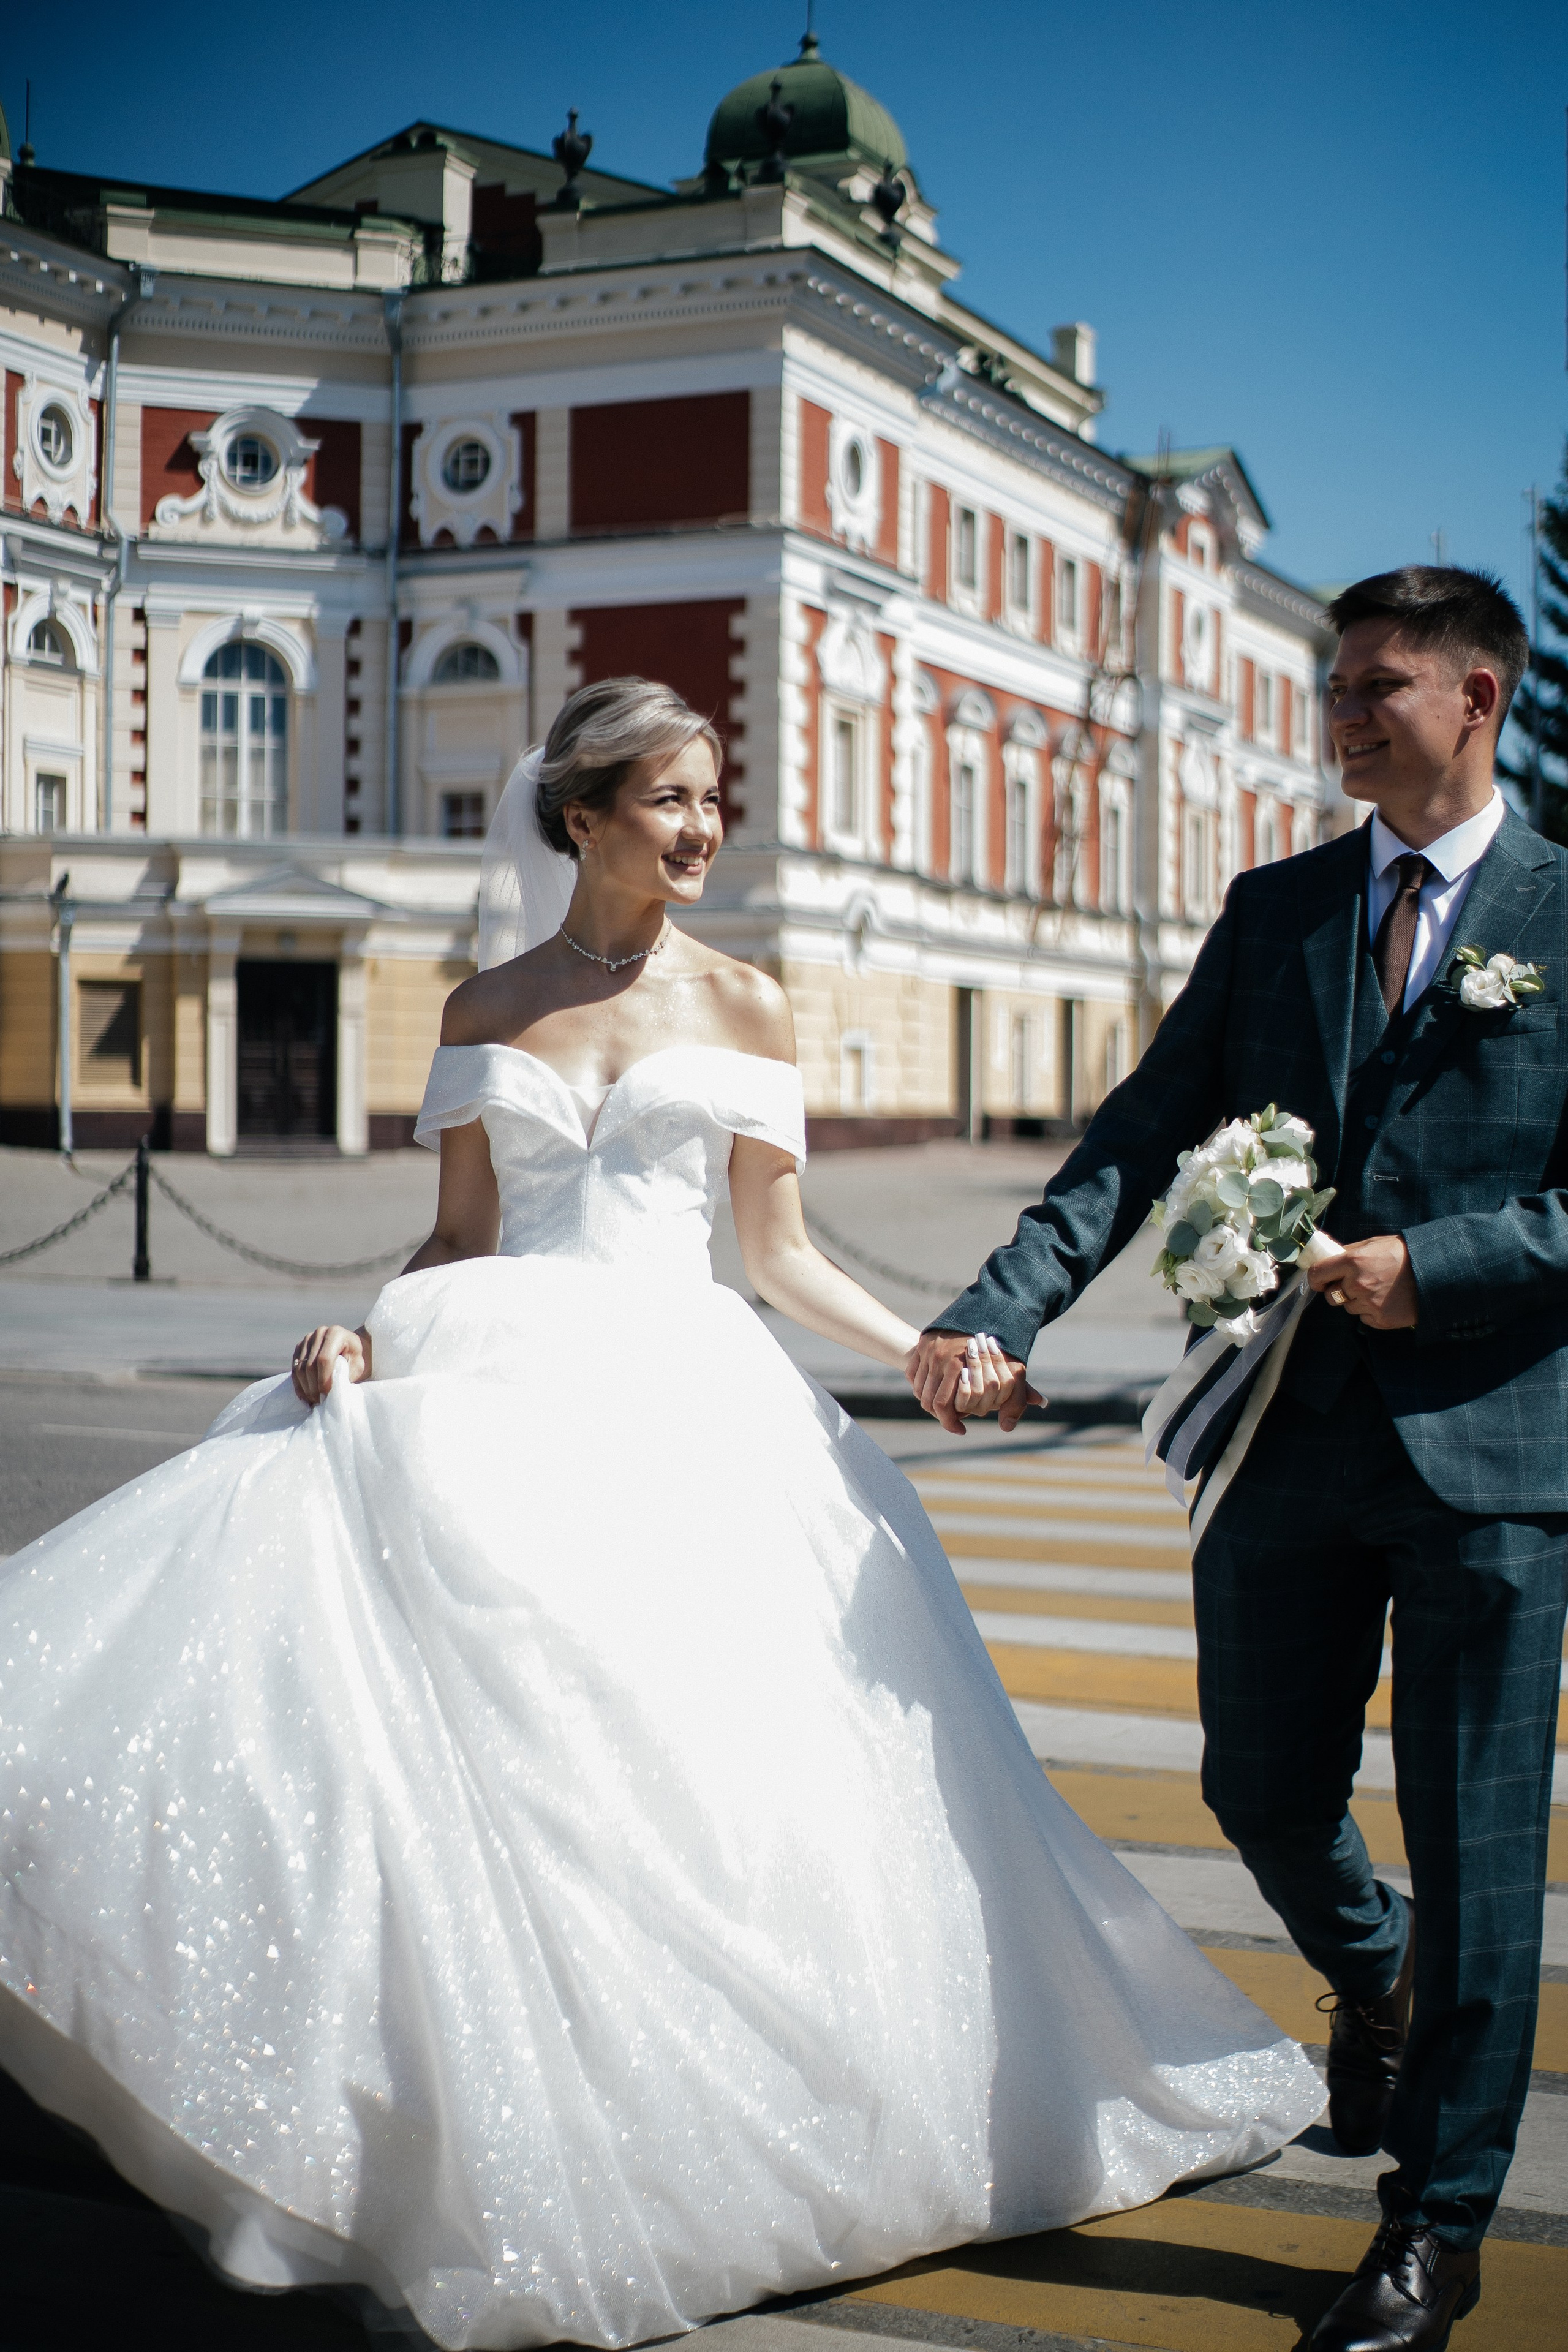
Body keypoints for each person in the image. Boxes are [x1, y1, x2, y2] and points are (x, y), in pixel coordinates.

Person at [0, 678, 1322, 2352]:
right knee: (473, 1742)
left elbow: (771, 1254)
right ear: (581, 815)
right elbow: (459, 1238)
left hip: (690, 1401)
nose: (701, 830)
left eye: (716, 802)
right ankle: (504, 2110)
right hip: (491, 1373)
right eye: (669, 800)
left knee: (703, 1769)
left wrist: (929, 1343)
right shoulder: (485, 1002)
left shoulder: (754, 1005)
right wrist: (360, 1319)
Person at [910, 568, 1567, 2351]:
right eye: (1334, 685)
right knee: (1259, 1787)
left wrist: (1440, 1268)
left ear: (1481, 698)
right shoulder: (1276, 910)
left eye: (1380, 684)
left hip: (1494, 1459)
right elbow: (1139, 1132)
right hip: (1283, 1436)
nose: (1343, 710)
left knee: (1486, 1858)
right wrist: (1003, 1311)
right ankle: (1375, 1968)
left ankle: (1435, 2226)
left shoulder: (1567, 912)